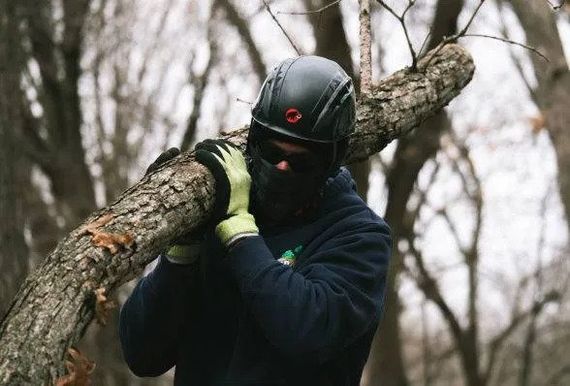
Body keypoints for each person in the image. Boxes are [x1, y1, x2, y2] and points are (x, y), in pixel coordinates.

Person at [119, 55, 392, 386]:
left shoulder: (360, 237)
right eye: (273, 152)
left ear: (331, 160)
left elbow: (306, 330)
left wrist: (240, 230)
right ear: (254, 141)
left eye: (301, 161)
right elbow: (143, 354)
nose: (282, 169)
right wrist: (181, 254)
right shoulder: (219, 209)